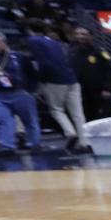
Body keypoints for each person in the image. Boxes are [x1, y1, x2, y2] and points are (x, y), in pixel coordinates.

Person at [0, 29, 43, 154]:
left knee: (29, 120)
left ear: (3, 41)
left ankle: (34, 143)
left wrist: (30, 91)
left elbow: (33, 74)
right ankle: (7, 146)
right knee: (2, 120)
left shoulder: (19, 57)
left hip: (20, 93)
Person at [25, 19, 87, 151]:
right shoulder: (54, 42)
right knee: (77, 113)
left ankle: (70, 133)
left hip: (55, 79)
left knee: (56, 109)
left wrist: (41, 81)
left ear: (29, 30)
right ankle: (84, 142)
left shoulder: (33, 41)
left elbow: (44, 64)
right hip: (71, 78)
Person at [70, 26, 111, 123]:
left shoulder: (99, 51)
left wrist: (107, 88)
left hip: (99, 90)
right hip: (79, 90)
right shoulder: (70, 52)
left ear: (90, 36)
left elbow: (110, 69)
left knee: (103, 116)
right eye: (77, 34)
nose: (80, 37)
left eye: (83, 34)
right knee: (84, 115)